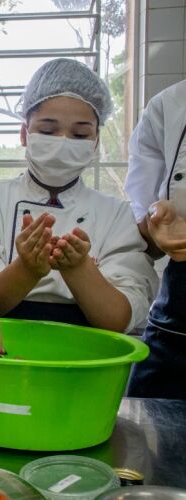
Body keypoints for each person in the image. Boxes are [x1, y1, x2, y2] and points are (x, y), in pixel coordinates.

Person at [0, 58, 157, 334]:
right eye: (48, 130)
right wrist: (25, 270)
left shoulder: (115, 214)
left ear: (95, 142)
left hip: (86, 355)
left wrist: (79, 269)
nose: (62, 141)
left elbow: (118, 318)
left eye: (80, 134)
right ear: (24, 134)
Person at [125, 78, 186, 399]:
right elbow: (145, 220)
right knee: (151, 417)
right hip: (180, 305)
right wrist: (157, 218)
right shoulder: (168, 106)